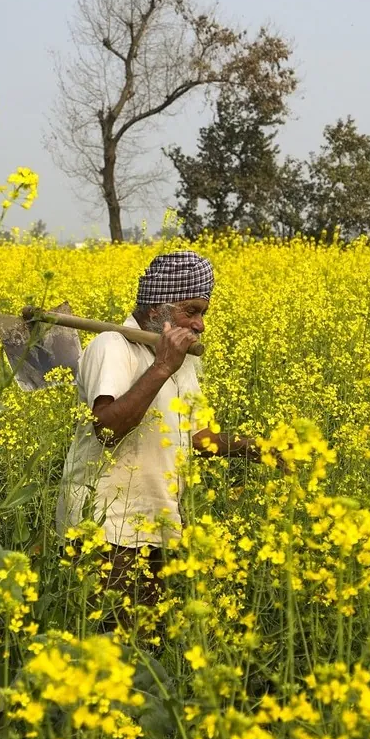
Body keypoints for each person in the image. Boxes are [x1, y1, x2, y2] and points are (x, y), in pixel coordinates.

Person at [56, 250, 259, 621]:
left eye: (202, 314)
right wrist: (163, 365)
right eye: (191, 311)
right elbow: (107, 428)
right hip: (105, 521)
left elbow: (197, 437)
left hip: (155, 517)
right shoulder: (112, 346)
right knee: (112, 640)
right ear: (156, 311)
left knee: (145, 639)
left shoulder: (180, 359)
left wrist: (256, 448)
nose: (199, 326)